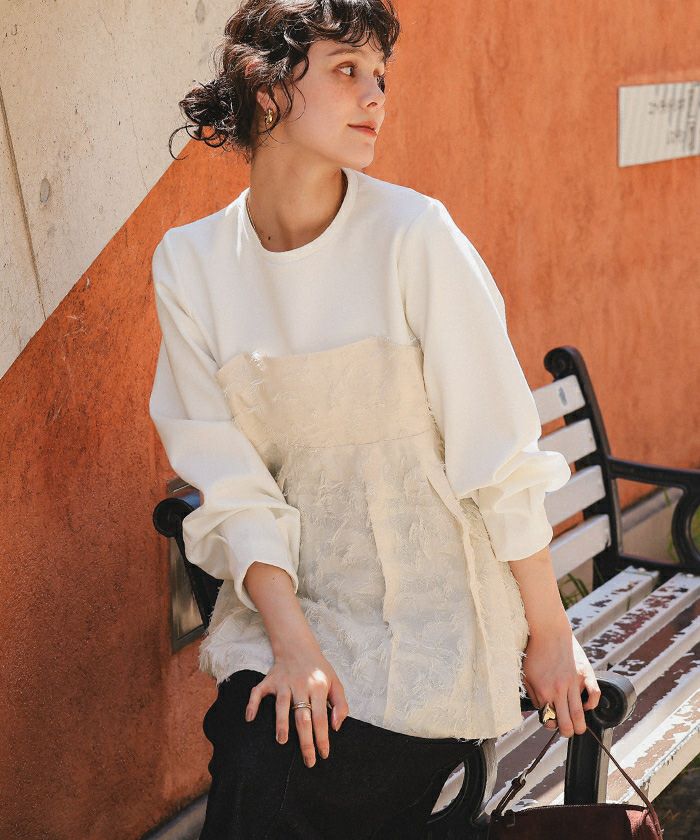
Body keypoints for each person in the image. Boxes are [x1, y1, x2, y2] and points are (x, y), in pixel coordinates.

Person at [148, 1, 601, 837]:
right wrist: (294, 644)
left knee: (311, 785)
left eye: (380, 77)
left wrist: (550, 631)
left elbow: (496, 452)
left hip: (436, 618)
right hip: (294, 606)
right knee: (258, 754)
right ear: (267, 89)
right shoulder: (191, 265)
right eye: (347, 71)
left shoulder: (414, 235)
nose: (375, 98)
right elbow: (229, 482)